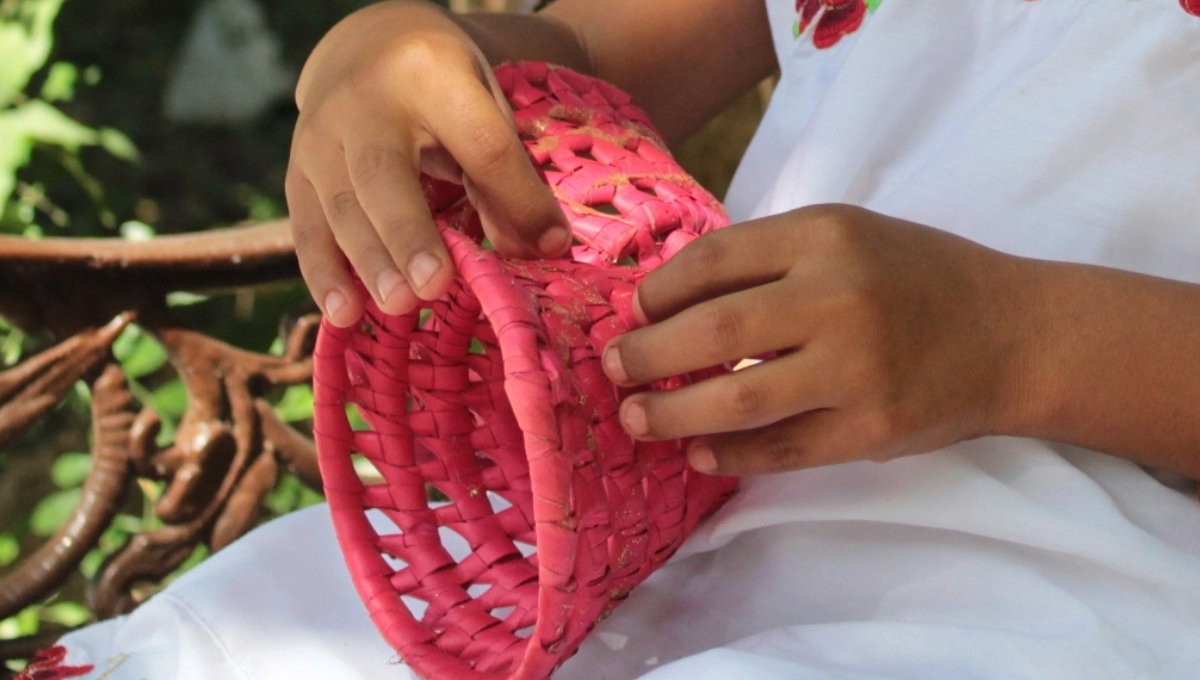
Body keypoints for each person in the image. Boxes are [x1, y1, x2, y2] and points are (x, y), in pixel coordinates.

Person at [44, 0, 1200, 678]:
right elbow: (574, 56)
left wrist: (1014, 339)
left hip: (1043, 588)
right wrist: (396, 58)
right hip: (626, 528)